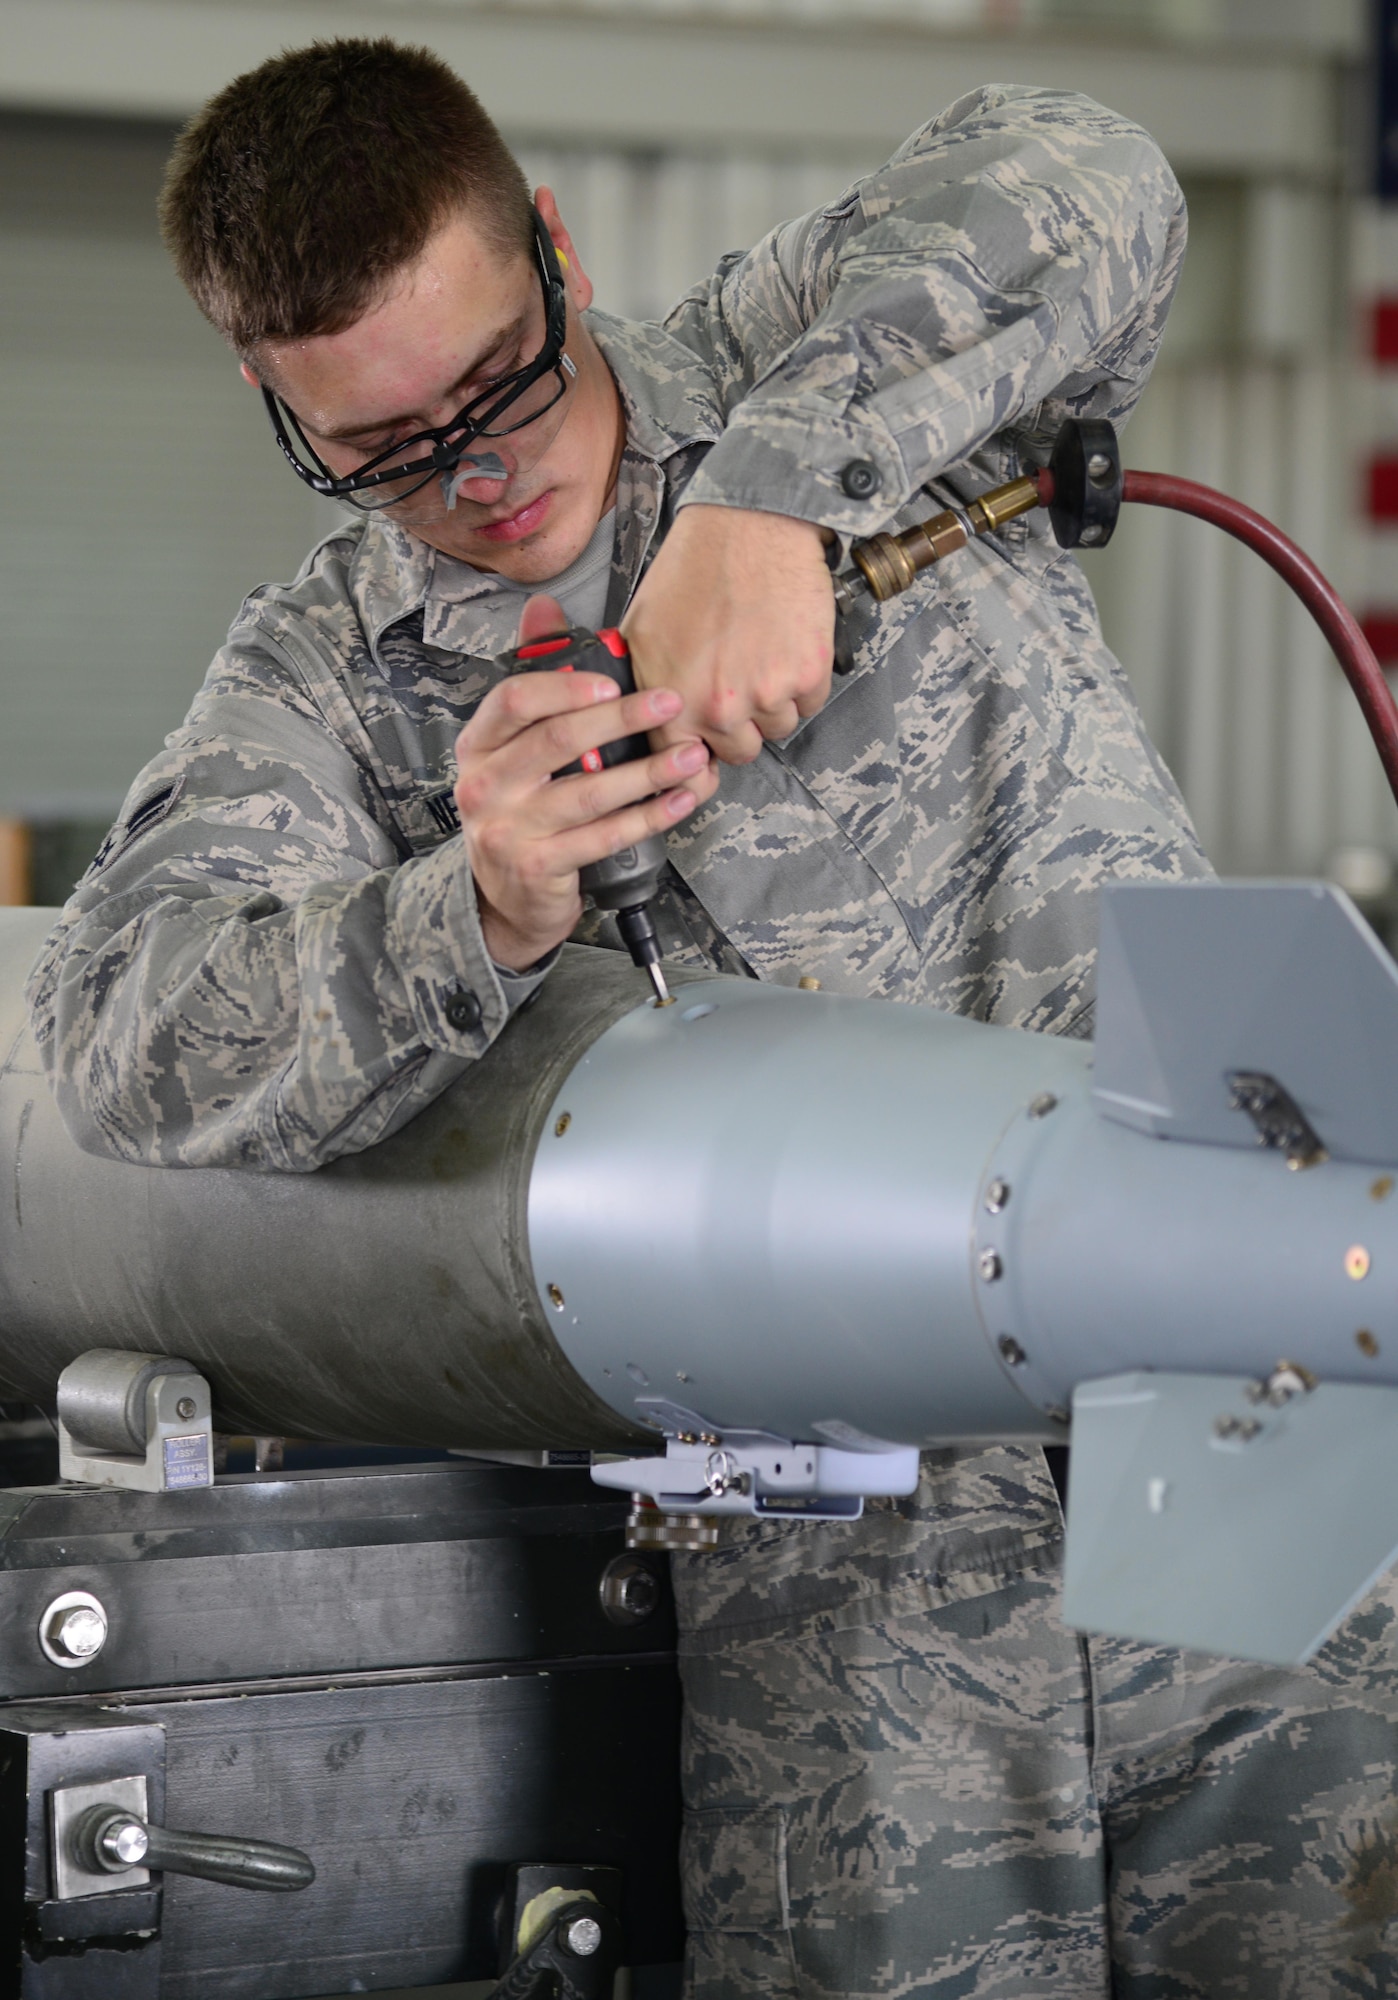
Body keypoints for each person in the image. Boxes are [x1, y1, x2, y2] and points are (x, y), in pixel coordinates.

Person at [27, 38, 1398, 1997]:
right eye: (390, 452)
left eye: (494, 388)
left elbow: (1085, 171)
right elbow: (118, 1029)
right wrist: (469, 905)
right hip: (868, 1637)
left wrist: (780, 487)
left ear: (553, 248)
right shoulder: (333, 682)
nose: (478, 476)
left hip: (1266, 1461)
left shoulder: (797, 349)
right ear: (281, 407)